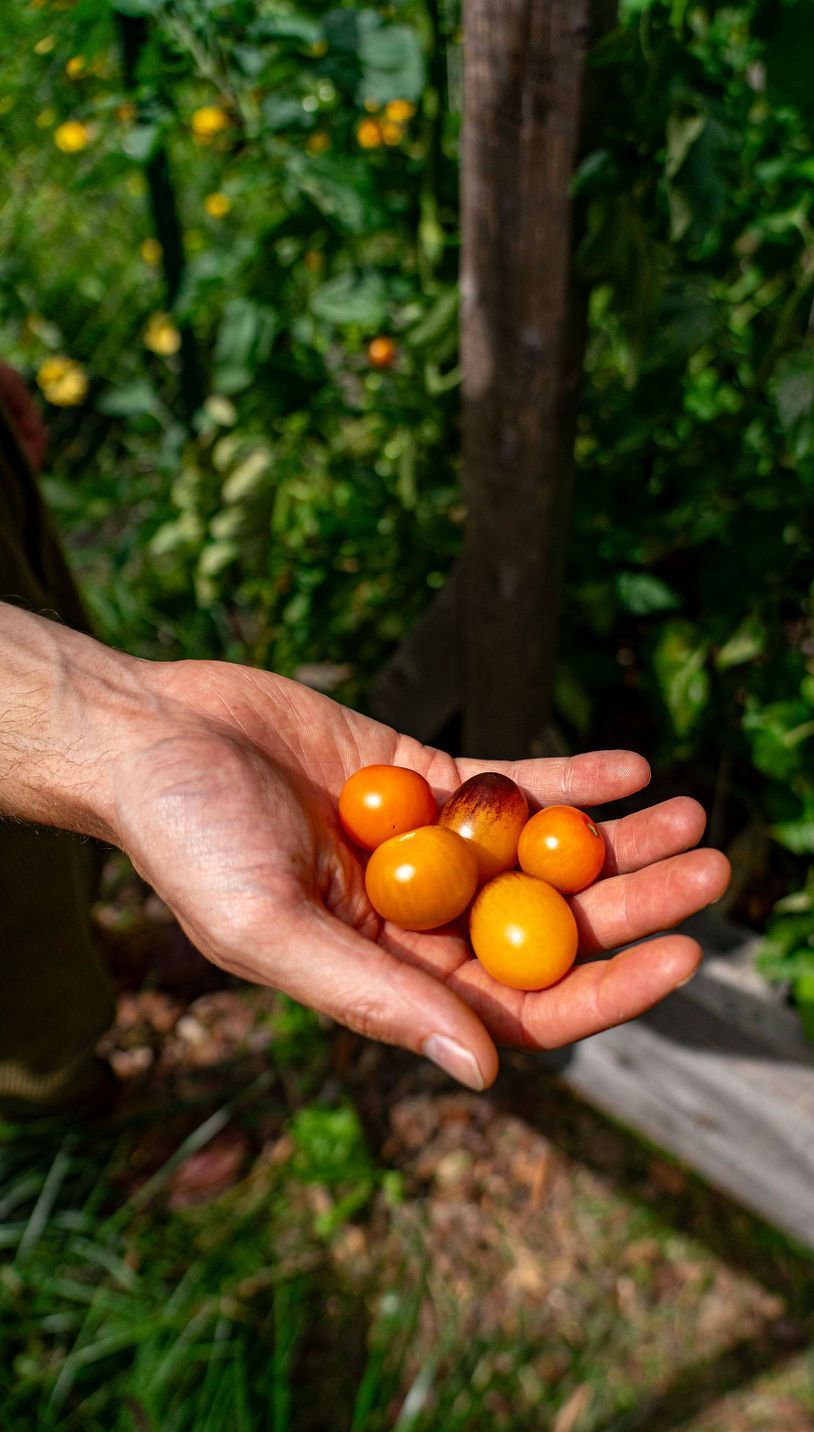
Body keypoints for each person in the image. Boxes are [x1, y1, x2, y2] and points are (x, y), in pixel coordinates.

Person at [0, 363, 729, 1113]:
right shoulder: (448, 849)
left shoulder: (461, 853)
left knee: (46, 668)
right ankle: (70, 1101)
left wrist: (107, 716)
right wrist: (126, 739)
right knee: (14, 902)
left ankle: (99, 947)